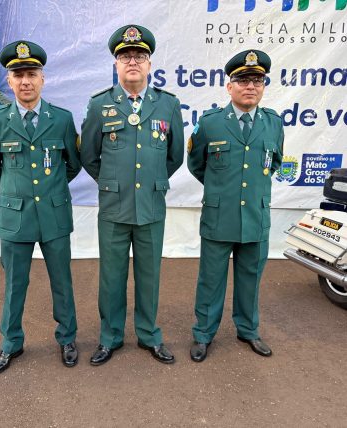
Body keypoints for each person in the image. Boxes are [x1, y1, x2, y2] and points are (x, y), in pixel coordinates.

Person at [80, 25, 184, 365]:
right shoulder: (100, 105)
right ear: (116, 64)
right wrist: (112, 182)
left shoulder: (167, 105)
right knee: (111, 278)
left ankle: (149, 335)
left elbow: (175, 157)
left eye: (140, 56)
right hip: (114, 206)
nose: (133, 61)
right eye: (125, 56)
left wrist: (152, 180)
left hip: (151, 205)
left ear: (150, 64)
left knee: (149, 276)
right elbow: (89, 155)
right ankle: (110, 337)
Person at [0, 40, 81, 374]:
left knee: (62, 281)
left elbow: (72, 164)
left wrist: (50, 190)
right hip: (16, 216)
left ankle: (67, 338)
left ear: (42, 79)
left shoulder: (62, 119)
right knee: (14, 284)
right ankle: (11, 343)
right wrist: (17, 189)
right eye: (18, 75)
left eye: (32, 74)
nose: (25, 81)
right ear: (9, 81)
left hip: (54, 214)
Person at [187, 49, 283, 362]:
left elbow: (274, 163)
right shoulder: (211, 123)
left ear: (263, 86)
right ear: (230, 86)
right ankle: (203, 333)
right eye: (243, 80)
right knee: (210, 280)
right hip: (219, 216)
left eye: (257, 80)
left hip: (256, 215)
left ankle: (248, 330)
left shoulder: (273, 124)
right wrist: (220, 189)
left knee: (250, 279)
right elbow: (196, 164)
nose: (250, 86)